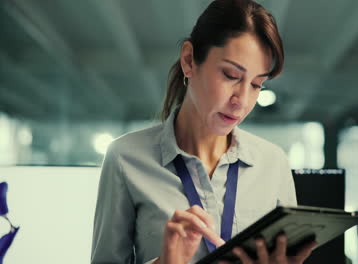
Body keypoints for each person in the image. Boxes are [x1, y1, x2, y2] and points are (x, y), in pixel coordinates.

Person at [91, 0, 316, 263]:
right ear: (189, 61)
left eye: (257, 85)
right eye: (231, 75)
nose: (242, 101)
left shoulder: (273, 163)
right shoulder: (125, 158)